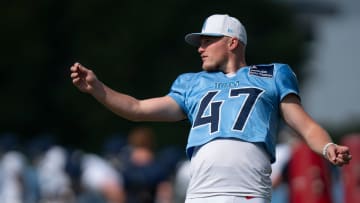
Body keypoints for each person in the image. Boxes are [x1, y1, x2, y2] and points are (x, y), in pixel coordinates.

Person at [70, 14, 351, 203]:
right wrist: (98, 88)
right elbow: (138, 108)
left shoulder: (273, 74)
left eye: (208, 41)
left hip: (248, 192)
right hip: (200, 194)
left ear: (232, 42)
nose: (200, 48)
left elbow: (305, 125)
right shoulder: (192, 83)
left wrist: (327, 147)